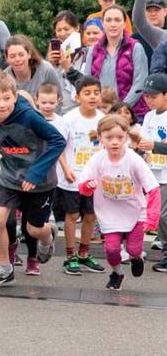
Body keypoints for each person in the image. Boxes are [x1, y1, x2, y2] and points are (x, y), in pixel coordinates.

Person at [0, 73, 65, 289]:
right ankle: (4, 268)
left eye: (6, 98)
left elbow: (58, 141)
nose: (1, 105)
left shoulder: (29, 117)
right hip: (11, 177)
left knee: (33, 230)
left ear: (14, 97)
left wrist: (36, 173)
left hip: (39, 181)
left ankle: (48, 236)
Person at [79, 114, 159, 290]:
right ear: (100, 138)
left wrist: (152, 218)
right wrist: (88, 186)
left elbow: (153, 188)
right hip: (109, 213)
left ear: (126, 138)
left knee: (133, 249)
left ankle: (136, 258)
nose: (114, 142)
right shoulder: (97, 159)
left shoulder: (133, 159)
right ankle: (117, 272)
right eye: (109, 138)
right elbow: (83, 185)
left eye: (120, 138)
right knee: (113, 250)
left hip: (136, 211)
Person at [55, 75, 105, 276]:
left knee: (91, 215)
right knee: (72, 215)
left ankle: (84, 253)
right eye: (87, 93)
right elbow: (58, 146)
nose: (92, 97)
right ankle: (69, 256)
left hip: (93, 178)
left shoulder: (103, 120)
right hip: (72, 177)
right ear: (77, 97)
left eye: (96, 93)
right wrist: (66, 170)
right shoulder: (68, 119)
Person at [82, 5, 149, 119]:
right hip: (100, 113)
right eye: (108, 20)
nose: (113, 24)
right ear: (103, 24)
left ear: (124, 24)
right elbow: (87, 82)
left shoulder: (135, 47)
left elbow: (140, 83)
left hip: (131, 114)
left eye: (117, 20)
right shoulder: (93, 50)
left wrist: (121, 108)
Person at [138, 74, 167, 273]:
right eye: (146, 96)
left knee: (164, 216)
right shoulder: (148, 117)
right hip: (152, 173)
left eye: (153, 96)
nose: (148, 100)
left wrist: (154, 145)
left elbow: (154, 144)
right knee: (155, 216)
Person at [4, 35, 62, 107]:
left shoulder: (46, 70)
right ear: (7, 58)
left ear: (29, 54)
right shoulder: (4, 78)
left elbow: (59, 99)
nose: (17, 59)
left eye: (21, 55)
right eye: (12, 56)